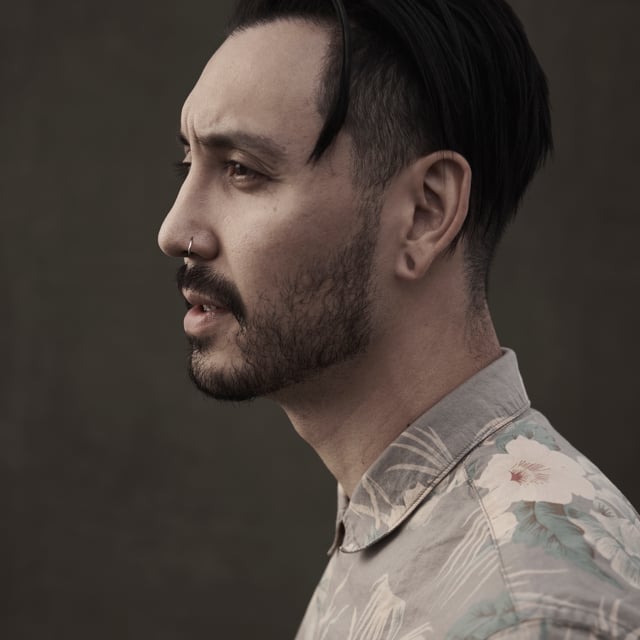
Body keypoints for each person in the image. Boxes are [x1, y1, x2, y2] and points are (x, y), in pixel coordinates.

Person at [157, 0, 640, 637]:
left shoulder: (529, 615)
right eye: (187, 165)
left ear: (424, 213)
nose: (174, 230)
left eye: (242, 170)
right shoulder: (396, 528)